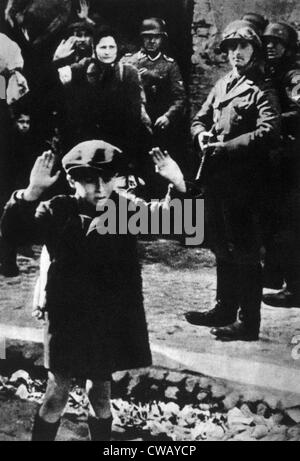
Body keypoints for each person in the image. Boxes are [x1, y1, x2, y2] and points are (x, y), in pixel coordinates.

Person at [0, 140, 187, 441]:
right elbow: (12, 233)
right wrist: (31, 193)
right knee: (56, 393)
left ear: (117, 178)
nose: (99, 188)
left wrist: (177, 185)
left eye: (107, 178)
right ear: (72, 180)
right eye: (89, 180)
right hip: (65, 320)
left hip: (107, 319)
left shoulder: (125, 210)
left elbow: (180, 224)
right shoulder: (57, 210)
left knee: (100, 394)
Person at [185, 20, 280, 341]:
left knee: (245, 250)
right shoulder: (223, 84)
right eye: (231, 48)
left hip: (245, 182)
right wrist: (201, 137)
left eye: (243, 47)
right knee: (219, 244)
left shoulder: (261, 88)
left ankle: (248, 321)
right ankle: (224, 306)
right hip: (215, 179)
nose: (236, 54)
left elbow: (270, 131)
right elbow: (199, 117)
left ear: (254, 51)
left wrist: (226, 147)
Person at [57, 26, 149, 163]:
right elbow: (55, 84)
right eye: (103, 47)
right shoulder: (83, 68)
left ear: (117, 49)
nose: (107, 52)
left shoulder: (129, 73)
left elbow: (134, 115)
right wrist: (58, 61)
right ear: (95, 48)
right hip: (87, 141)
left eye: (111, 47)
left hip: (119, 141)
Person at [261, 22, 300, 307]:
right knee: (275, 218)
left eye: (277, 42)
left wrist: (269, 122)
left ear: (288, 46)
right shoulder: (273, 70)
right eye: (268, 42)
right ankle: (275, 275)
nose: (271, 46)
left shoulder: (293, 74)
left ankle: (296, 288)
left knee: (290, 223)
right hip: (279, 156)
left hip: (294, 156)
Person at [122, 18, 187, 177]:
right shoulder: (129, 61)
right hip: (134, 124)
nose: (151, 41)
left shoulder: (170, 65)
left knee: (158, 169)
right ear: (141, 38)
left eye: (156, 37)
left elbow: (180, 97)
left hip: (159, 124)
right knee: (133, 166)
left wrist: (168, 116)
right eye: (147, 37)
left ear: (162, 39)